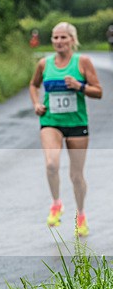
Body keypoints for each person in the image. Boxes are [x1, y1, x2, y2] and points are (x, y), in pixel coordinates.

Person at [29, 21, 102, 237]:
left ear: (72, 40)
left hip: (77, 123)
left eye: (63, 37)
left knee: (76, 175)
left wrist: (79, 86)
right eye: (55, 38)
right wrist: (36, 103)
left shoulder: (83, 62)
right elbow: (33, 85)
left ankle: (80, 215)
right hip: (51, 121)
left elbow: (99, 91)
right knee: (51, 164)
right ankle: (56, 204)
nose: (59, 41)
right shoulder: (44, 64)